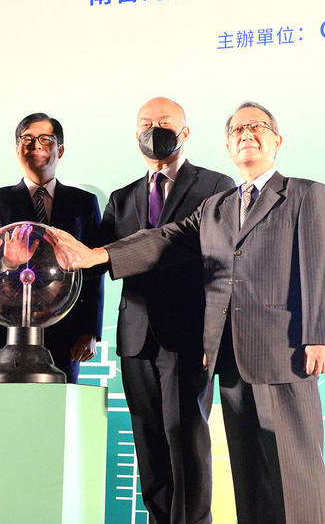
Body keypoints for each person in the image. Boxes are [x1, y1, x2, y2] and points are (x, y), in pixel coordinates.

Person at [53, 101, 325, 524]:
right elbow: (164, 239)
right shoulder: (218, 207)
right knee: (250, 476)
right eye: (238, 129)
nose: (247, 134)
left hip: (286, 354)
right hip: (229, 357)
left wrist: (321, 335)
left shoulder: (304, 193)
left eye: (257, 127)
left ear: (277, 141)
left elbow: (321, 265)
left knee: (294, 471)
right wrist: (96, 255)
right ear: (227, 145)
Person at [98, 97, 235, 524]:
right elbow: (94, 261)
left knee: (186, 444)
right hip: (135, 339)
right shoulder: (121, 199)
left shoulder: (216, 186)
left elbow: (205, 248)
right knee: (150, 448)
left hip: (188, 335)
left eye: (164, 123)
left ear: (185, 132)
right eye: (145, 123)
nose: (153, 129)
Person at [0, 112, 103, 383]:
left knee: (54, 416)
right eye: (28, 139)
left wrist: (91, 330)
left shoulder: (84, 202)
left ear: (61, 149)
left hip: (65, 327)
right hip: (3, 327)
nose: (36, 145)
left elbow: (94, 270)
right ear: (17, 148)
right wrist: (8, 262)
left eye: (46, 139)